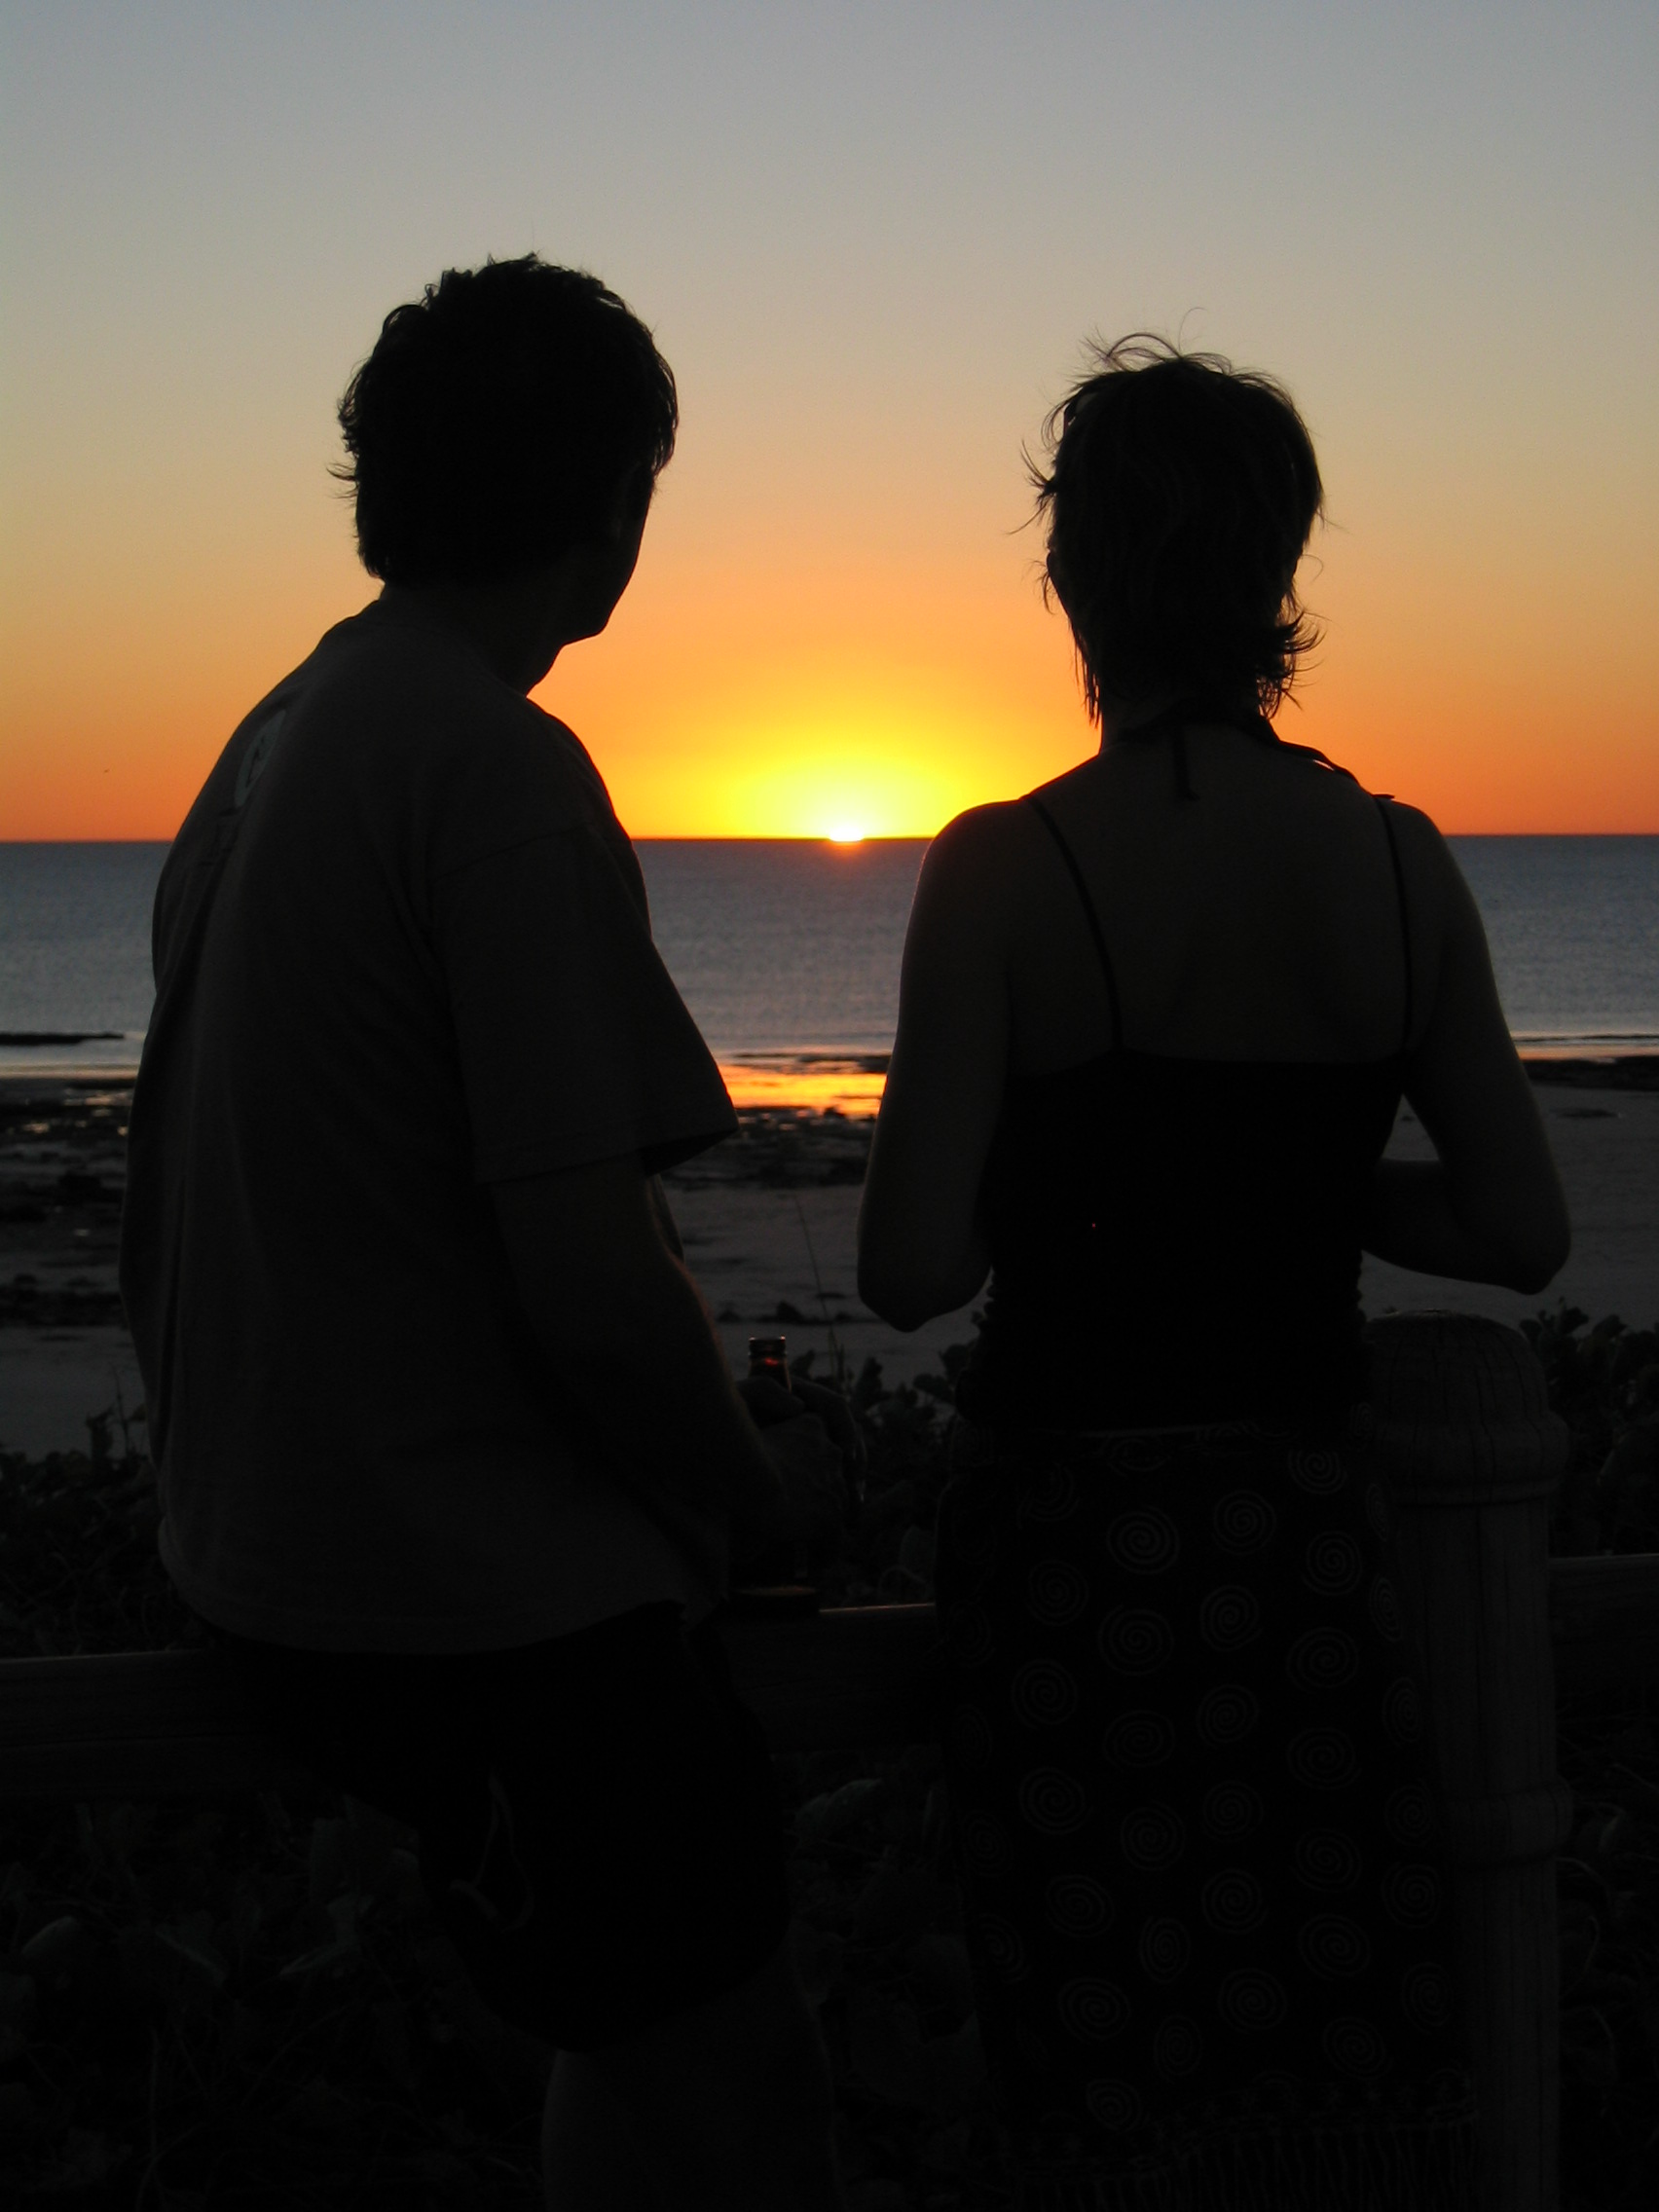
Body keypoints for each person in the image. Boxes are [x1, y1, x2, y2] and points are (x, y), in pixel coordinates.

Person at [120, 256, 846, 2212]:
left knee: (649, 2042)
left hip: (261, 1553)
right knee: (737, 2079)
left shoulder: (281, 731)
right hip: (463, 1602)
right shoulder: (492, 768)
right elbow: (595, 1282)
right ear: (610, 507)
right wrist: (756, 1498)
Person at [858, 336, 1569, 2208]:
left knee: (1101, 2073)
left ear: (1073, 578)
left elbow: (911, 1268)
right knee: (1329, 2066)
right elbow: (1518, 1232)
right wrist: (1292, 1182)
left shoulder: (1002, 870)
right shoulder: (1400, 864)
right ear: (1280, 577)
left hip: (1070, 1567)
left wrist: (1091, 1178)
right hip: (1304, 1549)